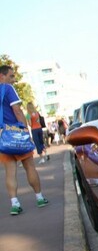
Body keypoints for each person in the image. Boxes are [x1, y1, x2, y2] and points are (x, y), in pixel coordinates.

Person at [0, 65, 49, 215]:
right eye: (11, 76)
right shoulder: (8, 89)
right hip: (17, 133)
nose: (14, 79)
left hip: (4, 137)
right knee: (29, 166)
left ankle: (15, 204)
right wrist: (25, 131)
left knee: (10, 172)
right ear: (2, 76)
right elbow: (17, 111)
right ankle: (39, 197)